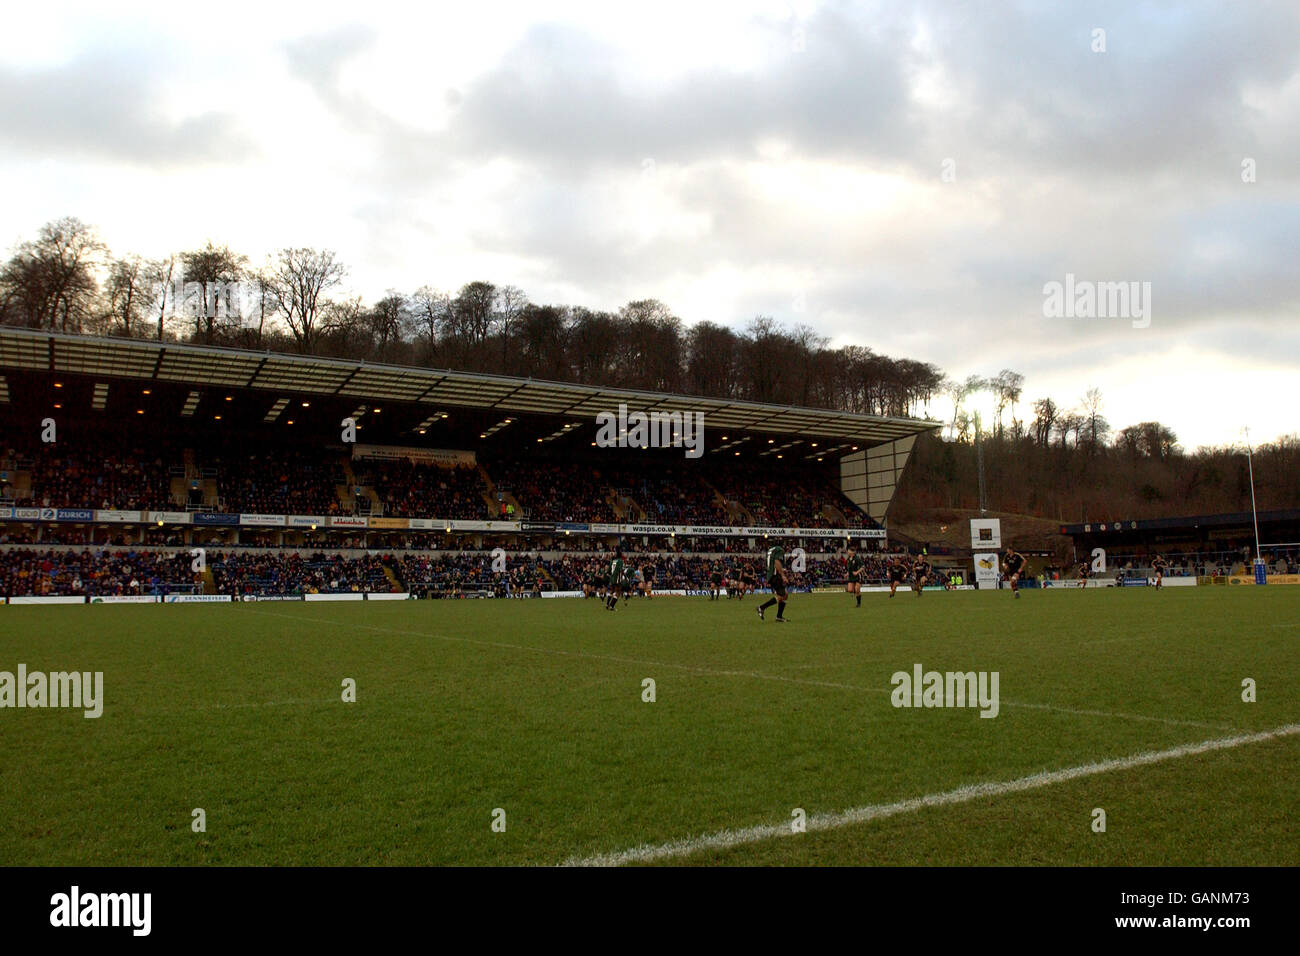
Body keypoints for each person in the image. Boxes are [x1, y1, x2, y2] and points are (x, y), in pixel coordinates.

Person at [756, 541, 790, 623]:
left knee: (785, 594)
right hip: (774, 575)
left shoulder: (770, 550)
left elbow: (770, 563)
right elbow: (776, 562)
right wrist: (782, 575)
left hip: (770, 575)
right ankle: (762, 607)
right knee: (782, 595)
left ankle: (779, 616)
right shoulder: (780, 550)